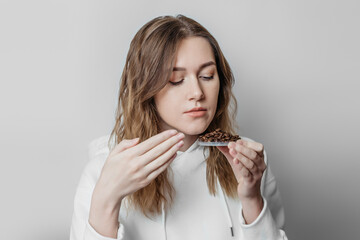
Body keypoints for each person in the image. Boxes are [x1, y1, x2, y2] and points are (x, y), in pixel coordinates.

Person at [70, 15, 288, 240]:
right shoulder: (102, 170)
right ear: (146, 87)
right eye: (176, 79)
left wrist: (252, 199)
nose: (197, 92)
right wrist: (106, 200)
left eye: (207, 76)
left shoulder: (248, 161)